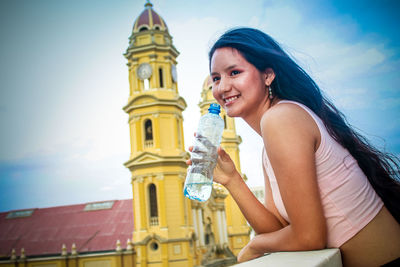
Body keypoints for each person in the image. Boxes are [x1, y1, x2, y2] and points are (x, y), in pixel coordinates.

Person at [188, 27, 400, 266]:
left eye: (234, 72)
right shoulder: (272, 137)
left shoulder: (281, 119)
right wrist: (232, 179)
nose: (222, 87)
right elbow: (277, 228)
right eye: (216, 78)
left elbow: (309, 237)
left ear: (268, 75)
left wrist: (255, 245)